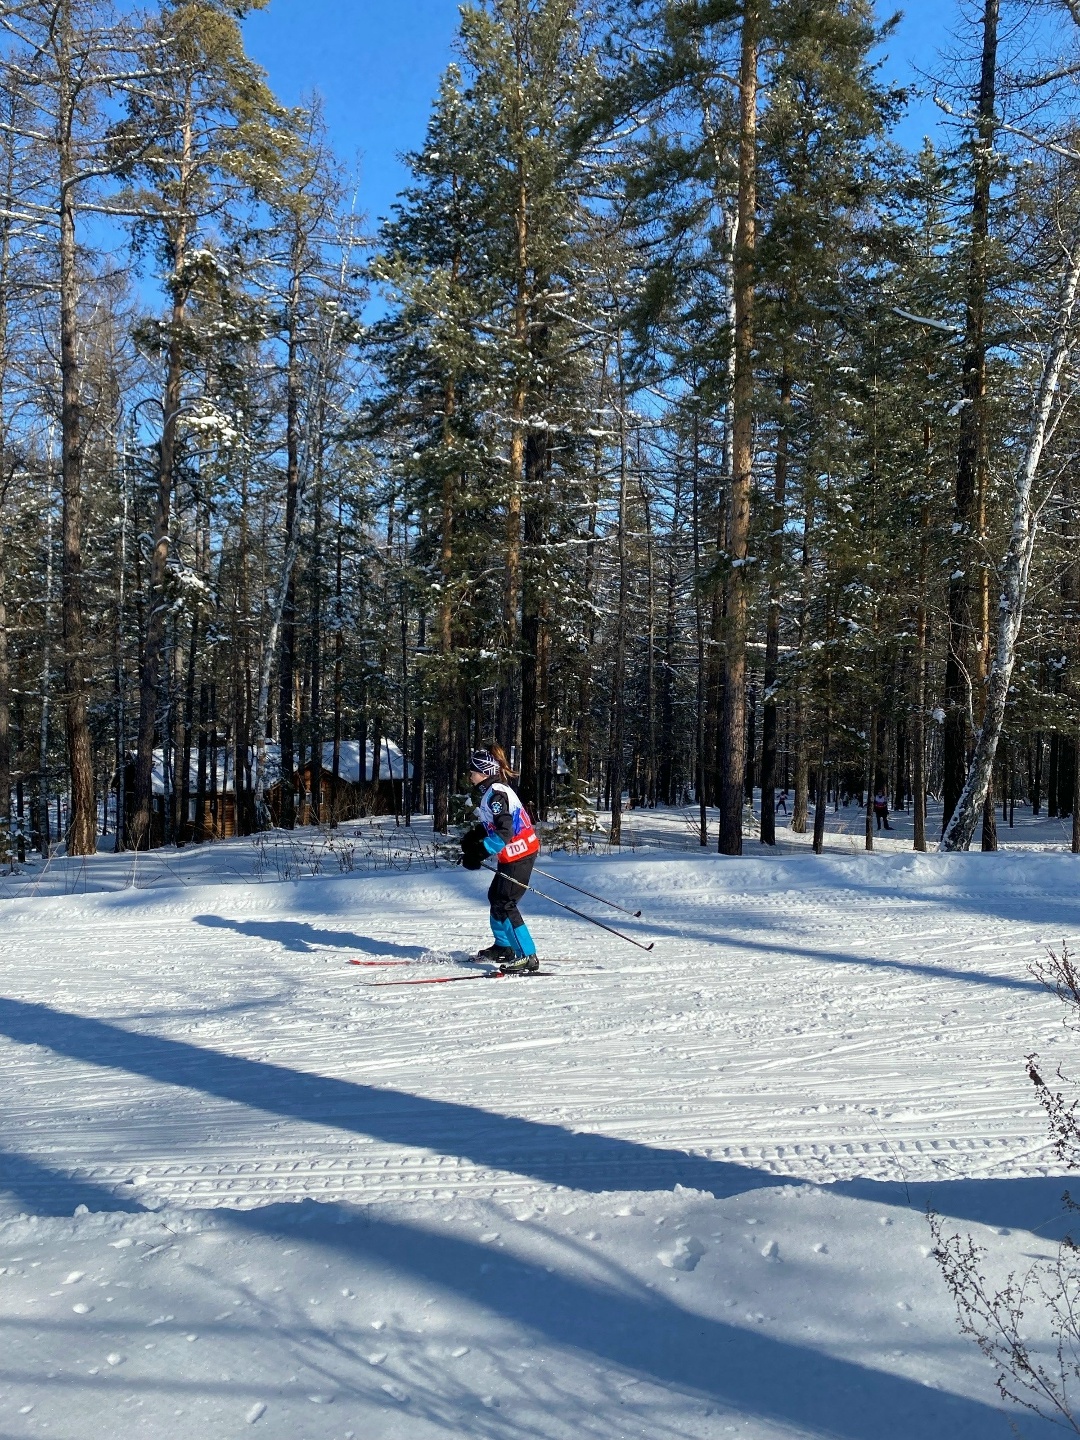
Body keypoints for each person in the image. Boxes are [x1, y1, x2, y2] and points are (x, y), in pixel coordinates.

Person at [460, 745, 541, 973]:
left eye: (472, 771)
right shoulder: (492, 791)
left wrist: (480, 852)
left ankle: (527, 956)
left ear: (484, 772)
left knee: (505, 903)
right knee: (496, 897)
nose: (470, 775)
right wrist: (475, 836)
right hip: (513, 854)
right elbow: (496, 824)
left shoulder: (496, 794)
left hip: (520, 853)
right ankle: (504, 947)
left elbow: (504, 832)